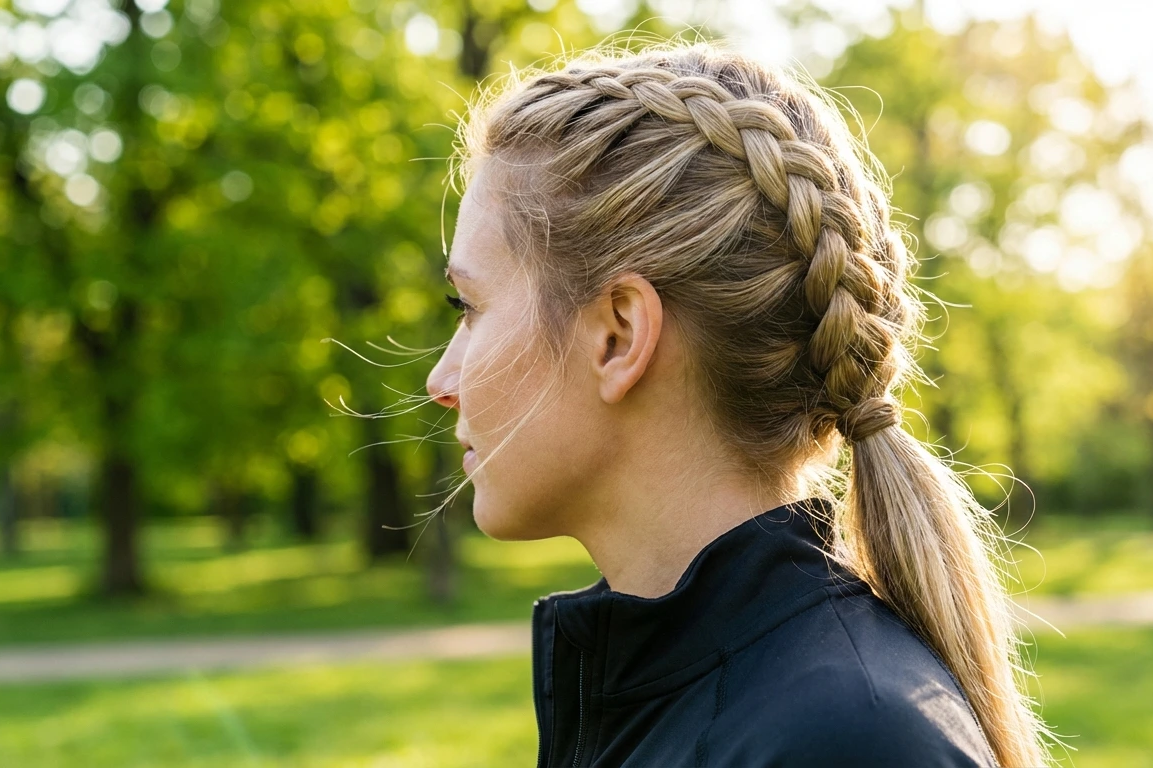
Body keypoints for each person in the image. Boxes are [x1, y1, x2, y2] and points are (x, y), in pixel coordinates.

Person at [425, 40, 1056, 767]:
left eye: (468, 307)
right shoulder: (706, 702)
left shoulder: (843, 741)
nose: (443, 380)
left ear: (618, 336)